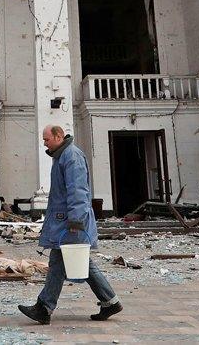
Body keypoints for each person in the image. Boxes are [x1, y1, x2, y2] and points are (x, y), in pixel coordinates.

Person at [18, 125, 122, 325]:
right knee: (76, 262)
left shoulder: (71, 157)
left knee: (62, 262)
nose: (44, 143)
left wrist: (76, 220)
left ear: (59, 136)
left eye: (47, 139)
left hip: (70, 223)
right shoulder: (63, 156)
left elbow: (78, 191)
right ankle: (110, 301)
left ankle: (44, 307)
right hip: (66, 222)